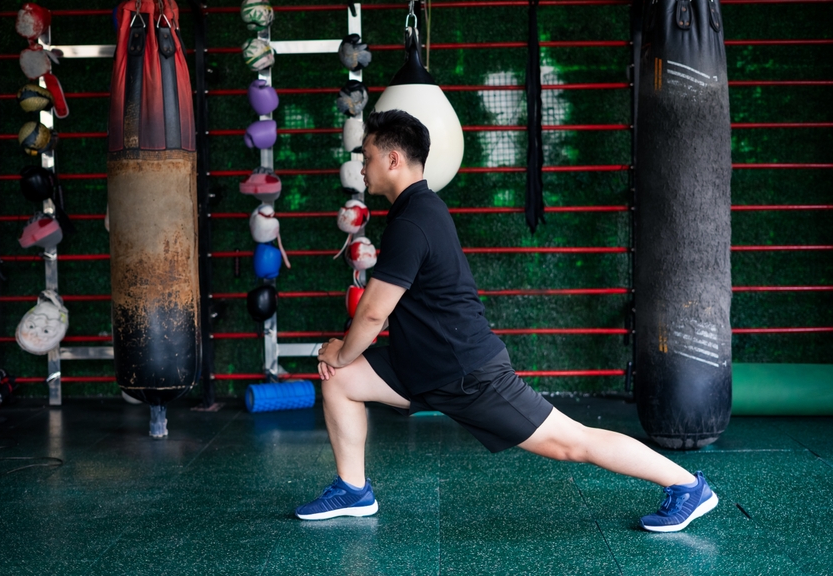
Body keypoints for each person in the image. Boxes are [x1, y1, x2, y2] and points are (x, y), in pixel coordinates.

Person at [294, 110, 717, 532]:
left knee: (573, 444)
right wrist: (344, 361)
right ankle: (353, 489)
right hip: (420, 366)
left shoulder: (413, 220)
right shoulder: (414, 211)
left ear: (392, 160)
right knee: (341, 380)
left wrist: (341, 351)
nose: (361, 168)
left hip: (467, 372)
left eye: (366, 157)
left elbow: (372, 312)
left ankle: (686, 486)